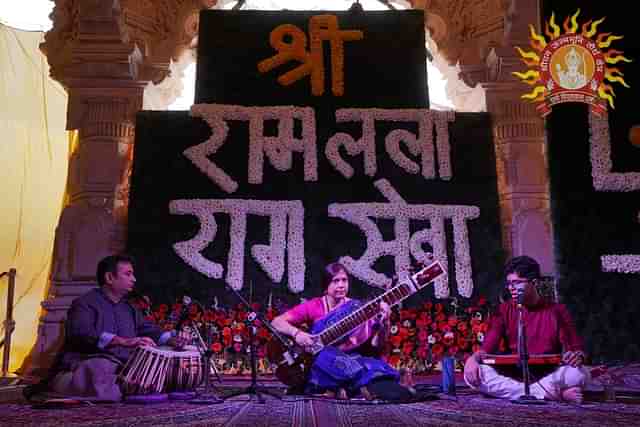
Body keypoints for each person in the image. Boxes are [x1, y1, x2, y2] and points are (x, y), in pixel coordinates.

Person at [46, 254, 189, 401]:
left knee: (166, 355)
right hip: (84, 364)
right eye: (128, 274)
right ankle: (128, 389)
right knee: (99, 367)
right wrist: (123, 341)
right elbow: (80, 333)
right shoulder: (84, 303)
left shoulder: (129, 308)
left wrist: (172, 338)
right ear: (109, 278)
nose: (134, 279)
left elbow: (149, 330)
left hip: (122, 366)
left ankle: (130, 387)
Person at [272, 262, 413, 401]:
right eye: (335, 281)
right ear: (326, 286)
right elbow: (276, 322)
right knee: (325, 357)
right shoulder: (314, 306)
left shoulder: (358, 310)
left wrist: (385, 322)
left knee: (368, 363)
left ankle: (343, 388)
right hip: (322, 360)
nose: (341, 285)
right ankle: (370, 384)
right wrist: (297, 334)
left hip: (351, 358)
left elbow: (377, 344)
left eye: (344, 280)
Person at [464, 256, 590, 403]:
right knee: (473, 375)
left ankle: (534, 392)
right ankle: (552, 394)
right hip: (514, 374)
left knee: (580, 373)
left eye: (517, 283)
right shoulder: (504, 309)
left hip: (547, 373)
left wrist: (576, 356)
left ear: (534, 283)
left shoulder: (557, 310)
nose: (511, 288)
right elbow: (487, 347)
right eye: (509, 283)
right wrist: (472, 359)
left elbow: (577, 349)